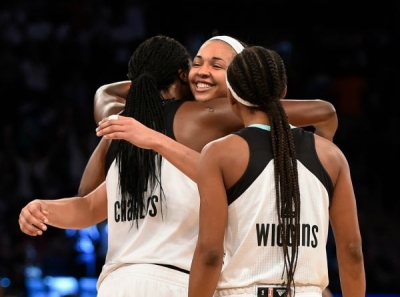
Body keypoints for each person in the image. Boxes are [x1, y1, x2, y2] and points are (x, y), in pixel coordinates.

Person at [19, 35, 337, 296]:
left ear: (240, 84)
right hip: (184, 281)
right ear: (181, 76)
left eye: (216, 65)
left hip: (118, 282)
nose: (201, 71)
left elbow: (88, 201)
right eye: (195, 63)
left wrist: (42, 208)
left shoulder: (130, 126)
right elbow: (323, 112)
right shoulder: (205, 124)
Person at [188, 46, 365, 297]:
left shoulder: (219, 153)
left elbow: (210, 254)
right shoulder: (331, 155)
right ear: (283, 92)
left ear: (231, 97)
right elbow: (352, 251)